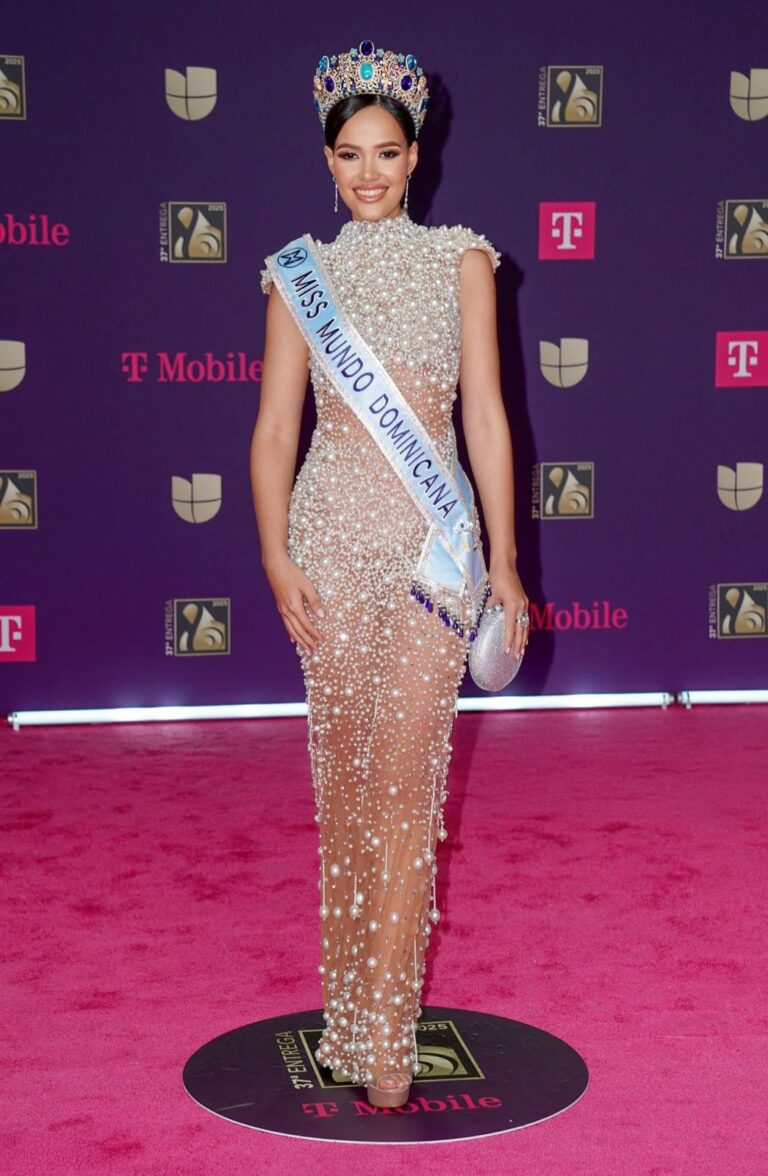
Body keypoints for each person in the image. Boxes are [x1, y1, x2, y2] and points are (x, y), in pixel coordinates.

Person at [250, 39, 529, 1109]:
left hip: (434, 558)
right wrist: (276, 556)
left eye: (388, 152)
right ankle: (350, 1010)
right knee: (349, 789)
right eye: (349, 154)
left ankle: (392, 1033)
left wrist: (504, 558)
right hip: (327, 545)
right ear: (326, 161)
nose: (369, 172)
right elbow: (275, 432)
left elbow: (491, 422)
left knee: (409, 787)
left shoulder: (463, 259)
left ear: (418, 157)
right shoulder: (294, 275)